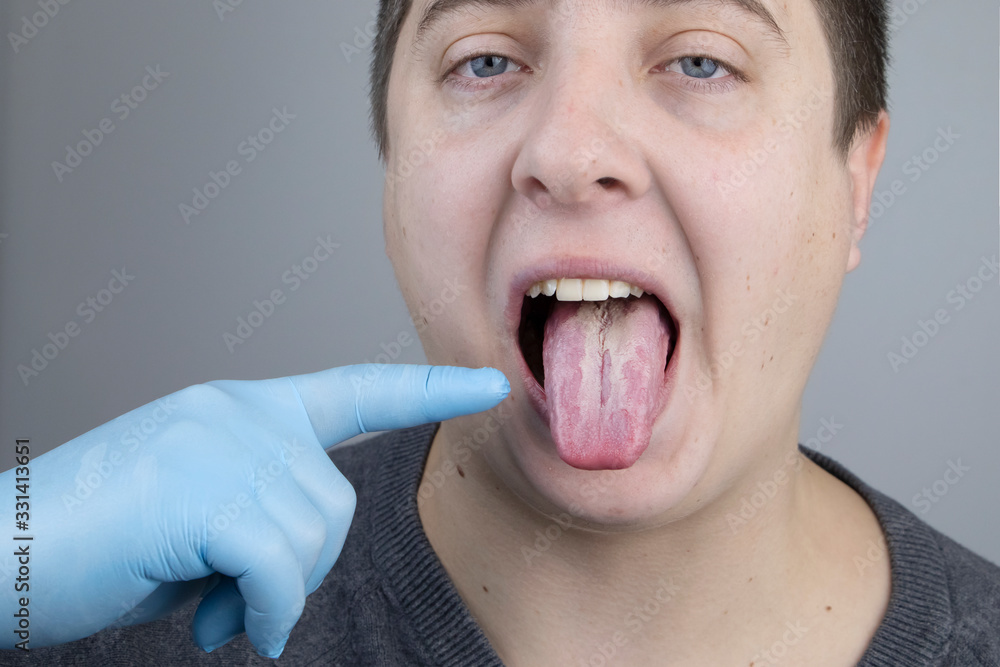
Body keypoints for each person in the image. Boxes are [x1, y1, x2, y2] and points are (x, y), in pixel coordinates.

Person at [3, 0, 999, 665]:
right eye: (485, 60)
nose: (569, 152)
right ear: (391, 170)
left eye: (701, 61)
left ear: (857, 184)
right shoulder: (99, 615)